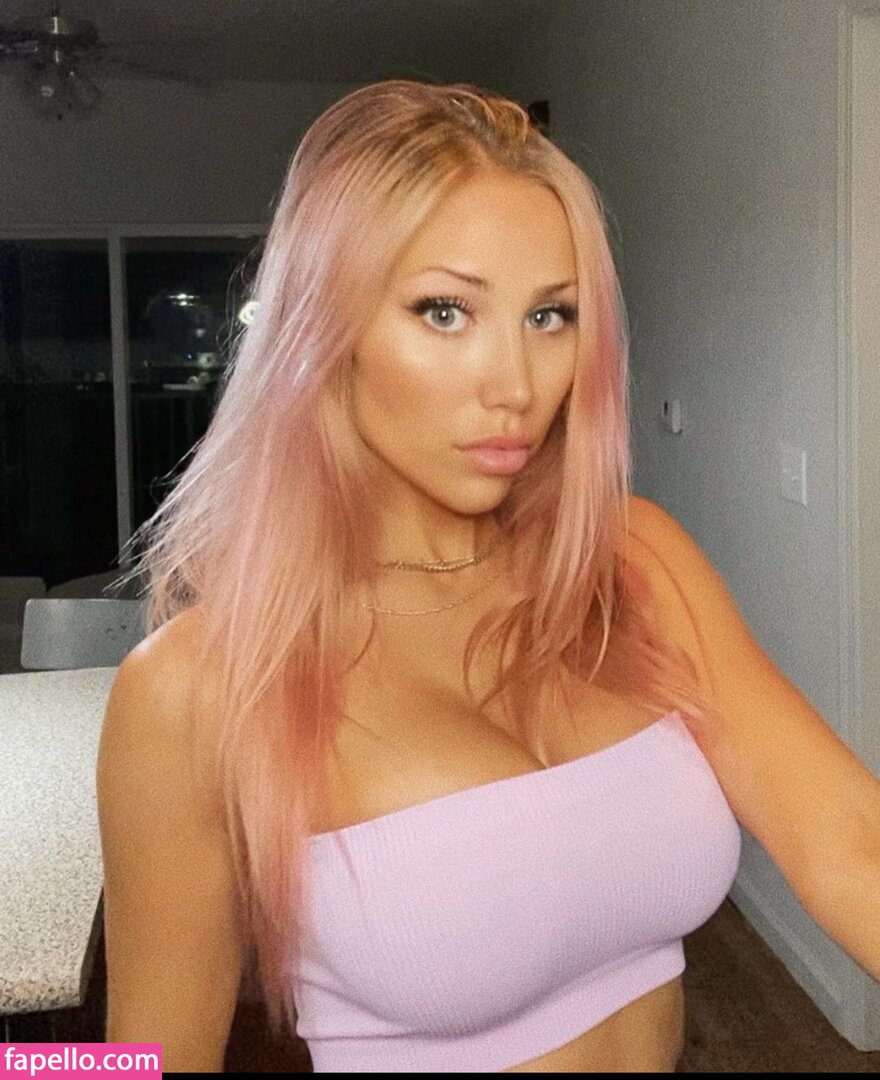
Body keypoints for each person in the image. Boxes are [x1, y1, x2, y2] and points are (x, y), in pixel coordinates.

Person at [96, 80, 880, 1074]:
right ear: (323, 330)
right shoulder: (197, 687)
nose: (516, 384)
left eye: (550, 315)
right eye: (444, 311)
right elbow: (141, 1058)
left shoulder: (632, 560)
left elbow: (849, 842)